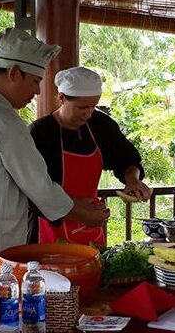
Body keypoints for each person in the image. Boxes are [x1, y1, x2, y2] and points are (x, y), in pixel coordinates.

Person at [0, 29, 110, 288]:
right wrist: (85, 215)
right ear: (14, 73)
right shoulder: (2, 119)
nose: (37, 91)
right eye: (35, 81)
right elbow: (39, 187)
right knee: (0, 326)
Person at [30, 66, 151, 245]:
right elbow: (34, 190)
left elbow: (127, 159)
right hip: (49, 227)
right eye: (82, 107)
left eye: (93, 106)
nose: (88, 113)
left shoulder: (101, 125)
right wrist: (79, 212)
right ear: (62, 98)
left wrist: (132, 179)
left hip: (91, 224)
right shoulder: (41, 132)